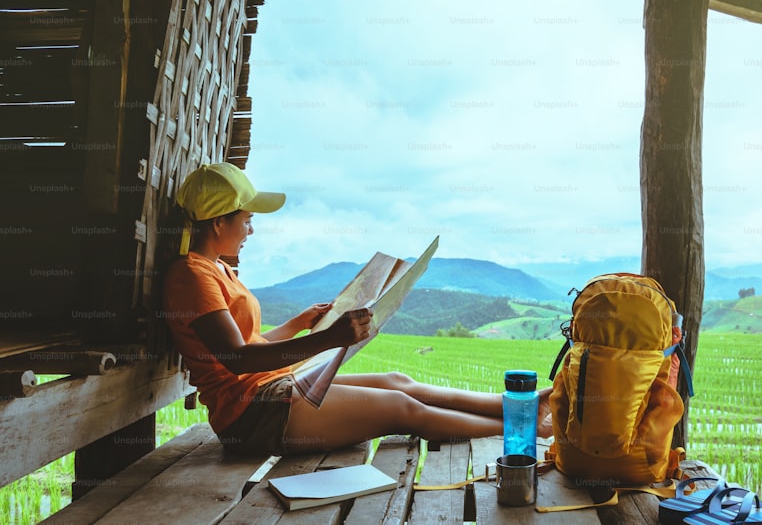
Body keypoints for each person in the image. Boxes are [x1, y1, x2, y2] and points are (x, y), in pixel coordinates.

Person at [162, 162, 550, 455]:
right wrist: (330, 338)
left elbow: (249, 341)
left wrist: (301, 324)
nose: (251, 231)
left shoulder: (218, 270)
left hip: (274, 389)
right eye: (246, 221)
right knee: (401, 408)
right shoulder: (191, 276)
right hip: (254, 416)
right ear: (217, 224)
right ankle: (526, 429)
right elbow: (239, 359)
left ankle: (521, 406)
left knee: (399, 381)